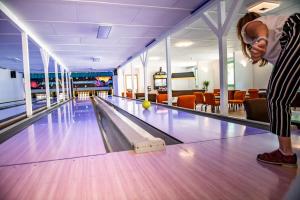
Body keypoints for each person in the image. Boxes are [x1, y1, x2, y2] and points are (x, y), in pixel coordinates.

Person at [237, 12, 300, 167]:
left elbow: (259, 27)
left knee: (276, 97)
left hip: (296, 28)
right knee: (278, 93)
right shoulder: (280, 48)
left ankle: (285, 153)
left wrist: (261, 39)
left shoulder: (249, 28)